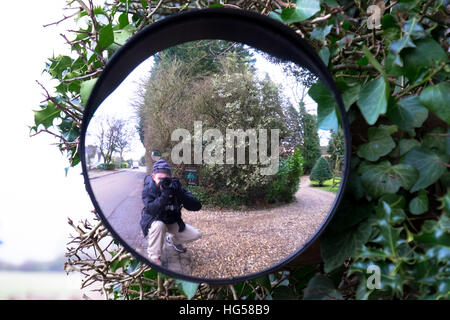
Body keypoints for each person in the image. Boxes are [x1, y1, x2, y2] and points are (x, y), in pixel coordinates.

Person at [140, 159, 202, 265]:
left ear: (171, 177)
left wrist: (180, 193)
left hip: (172, 221)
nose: (163, 182)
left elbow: (197, 206)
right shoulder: (148, 190)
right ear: (153, 177)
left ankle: (172, 240)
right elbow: (151, 210)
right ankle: (154, 257)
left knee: (196, 234)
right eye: (159, 178)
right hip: (155, 221)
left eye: (166, 179)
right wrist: (164, 196)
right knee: (159, 226)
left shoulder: (174, 187)